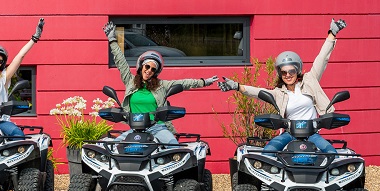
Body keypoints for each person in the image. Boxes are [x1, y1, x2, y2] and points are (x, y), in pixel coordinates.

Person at [218, 18, 346, 154]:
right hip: (289, 133)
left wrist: (332, 33)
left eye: (291, 71)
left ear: (297, 70)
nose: (288, 75)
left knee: (332, 153)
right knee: (268, 153)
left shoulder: (310, 80)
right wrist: (236, 86)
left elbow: (322, 58)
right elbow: (257, 92)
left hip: (312, 133)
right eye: (284, 72)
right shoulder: (278, 93)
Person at [103, 22, 218, 145]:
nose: (149, 71)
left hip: (157, 128)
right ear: (141, 66)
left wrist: (204, 82)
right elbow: (121, 61)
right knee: (113, 147)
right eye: (147, 66)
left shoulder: (161, 85)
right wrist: (112, 39)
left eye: (153, 69)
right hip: (135, 129)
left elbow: (184, 83)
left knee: (174, 147)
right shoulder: (130, 81)